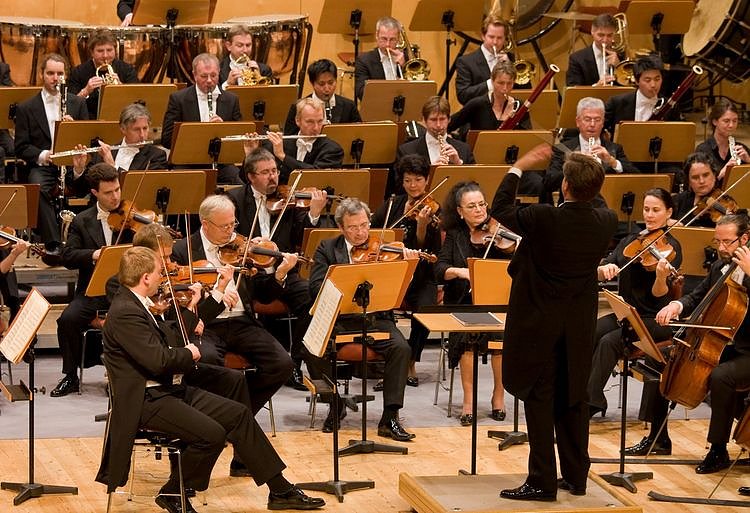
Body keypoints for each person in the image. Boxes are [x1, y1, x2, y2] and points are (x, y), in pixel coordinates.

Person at [96, 246, 325, 512]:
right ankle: (174, 492)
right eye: (159, 272)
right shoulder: (126, 311)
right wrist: (189, 353)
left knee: (238, 414)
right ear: (145, 277)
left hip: (168, 389)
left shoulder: (139, 303)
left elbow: (169, 339)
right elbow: (158, 361)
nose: (163, 277)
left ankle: (280, 490)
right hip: (146, 400)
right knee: (212, 435)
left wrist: (192, 311)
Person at [492, 147, 618, 501]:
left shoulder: (545, 217)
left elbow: (500, 208)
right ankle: (576, 477)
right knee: (573, 399)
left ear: (564, 186)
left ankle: (542, 481)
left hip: (540, 326)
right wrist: (591, 172)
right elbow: (594, 199)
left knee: (539, 400)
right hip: (577, 329)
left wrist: (518, 167)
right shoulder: (606, 221)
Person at [171, 194, 296, 414]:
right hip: (205, 326)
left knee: (282, 364)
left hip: (242, 323)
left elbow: (264, 296)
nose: (231, 231)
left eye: (233, 223)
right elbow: (181, 301)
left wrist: (279, 274)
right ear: (205, 224)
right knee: (206, 360)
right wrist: (215, 293)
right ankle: (218, 417)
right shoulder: (183, 250)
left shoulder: (241, 246)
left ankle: (240, 412)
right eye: (224, 226)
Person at [308, 198, 416, 441]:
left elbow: (397, 292)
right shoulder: (327, 249)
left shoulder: (383, 251)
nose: (361, 233)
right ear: (341, 227)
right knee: (312, 348)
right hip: (340, 319)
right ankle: (335, 402)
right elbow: (314, 288)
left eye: (365, 225)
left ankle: (390, 417)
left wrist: (407, 269)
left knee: (401, 348)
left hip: (376, 318)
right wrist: (345, 279)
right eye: (353, 227)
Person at [655, 212, 750, 474]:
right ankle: (657, 437)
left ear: (744, 238)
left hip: (749, 350)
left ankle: (717, 450)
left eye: (727, 242)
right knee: (666, 355)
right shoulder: (721, 266)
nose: (721, 248)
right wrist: (677, 305)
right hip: (729, 345)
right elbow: (697, 297)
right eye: (717, 241)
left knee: (721, 376)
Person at [588, 189, 681, 453]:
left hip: (654, 319)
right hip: (627, 314)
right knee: (589, 331)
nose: (649, 215)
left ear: (669, 212)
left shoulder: (672, 248)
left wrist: (660, 277)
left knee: (609, 341)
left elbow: (659, 295)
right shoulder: (632, 240)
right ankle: (583, 395)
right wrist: (604, 269)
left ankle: (589, 403)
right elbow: (603, 267)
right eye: (646, 209)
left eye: (656, 210)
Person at [227, 147, 329, 390]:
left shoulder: (288, 199)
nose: (273, 177)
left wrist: (314, 214)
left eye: (274, 171)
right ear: (250, 176)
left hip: (283, 269)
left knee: (313, 298)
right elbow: (227, 236)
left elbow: (299, 236)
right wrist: (246, 244)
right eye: (265, 173)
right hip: (249, 274)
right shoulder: (234, 199)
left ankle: (295, 361)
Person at [52, 163, 131, 397]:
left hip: (128, 291)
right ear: (95, 192)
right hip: (93, 292)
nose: (115, 197)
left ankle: (127, 376)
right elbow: (68, 256)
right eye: (108, 192)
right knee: (67, 319)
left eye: (117, 189)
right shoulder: (82, 221)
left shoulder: (131, 218)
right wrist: (94, 254)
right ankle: (70, 376)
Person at [435, 181, 510, 425]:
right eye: (471, 206)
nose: (479, 210)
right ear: (460, 211)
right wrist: (461, 272)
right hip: (463, 301)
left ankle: (499, 395)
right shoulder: (454, 234)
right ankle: (468, 400)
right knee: (466, 337)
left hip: (495, 300)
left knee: (499, 337)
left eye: (481, 204)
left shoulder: (498, 231)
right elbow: (440, 269)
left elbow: (515, 264)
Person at [371, 155, 440, 388]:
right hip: (394, 273)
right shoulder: (393, 204)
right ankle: (390, 360)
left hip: (421, 275)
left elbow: (428, 248)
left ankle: (410, 360)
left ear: (427, 180)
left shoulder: (433, 209)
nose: (413, 186)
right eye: (408, 180)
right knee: (379, 305)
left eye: (418, 180)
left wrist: (421, 226)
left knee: (426, 309)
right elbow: (375, 231)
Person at [14, 53, 89, 243]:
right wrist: (45, 155)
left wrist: (73, 129)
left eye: (60, 74)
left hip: (73, 164)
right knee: (37, 187)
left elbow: (86, 140)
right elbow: (21, 146)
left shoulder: (78, 103)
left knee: (99, 182)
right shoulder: (26, 108)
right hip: (44, 167)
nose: (55, 78)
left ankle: (85, 241)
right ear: (42, 74)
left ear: (65, 75)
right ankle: (53, 242)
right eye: (50, 73)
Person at [161, 53, 243, 184]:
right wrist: (198, 134)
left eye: (213, 75)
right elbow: (166, 139)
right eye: (204, 76)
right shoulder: (178, 99)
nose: (209, 80)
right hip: (187, 162)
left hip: (221, 163)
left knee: (240, 185)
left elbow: (239, 138)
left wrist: (224, 128)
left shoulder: (232, 100)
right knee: (181, 186)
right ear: (194, 75)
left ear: (219, 73)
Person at [544, 97, 637, 203]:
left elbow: (635, 177)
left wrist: (612, 161)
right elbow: (549, 181)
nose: (592, 125)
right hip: (574, 207)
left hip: (607, 205)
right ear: (578, 121)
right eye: (587, 119)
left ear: (603, 122)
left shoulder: (615, 148)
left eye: (597, 120)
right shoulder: (562, 149)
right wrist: (575, 166)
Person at [246, 97, 344, 184]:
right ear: (298, 121)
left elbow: (315, 175)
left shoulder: (333, 150)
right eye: (310, 122)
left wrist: (283, 157)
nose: (316, 128)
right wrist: (251, 155)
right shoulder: (279, 145)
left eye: (320, 121)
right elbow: (251, 180)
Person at [455, 15, 529, 106]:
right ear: (483, 36)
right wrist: (492, 83)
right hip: (479, 112)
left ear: (505, 38)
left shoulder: (512, 59)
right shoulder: (466, 62)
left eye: (499, 38)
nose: (495, 42)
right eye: (491, 37)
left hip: (509, 111)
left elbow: (526, 90)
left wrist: (510, 68)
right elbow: (463, 96)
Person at [68, 28, 139, 118]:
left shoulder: (127, 70)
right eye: (100, 51)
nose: (105, 55)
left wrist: (121, 88)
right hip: (89, 120)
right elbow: (70, 107)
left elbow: (136, 104)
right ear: (92, 52)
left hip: (121, 119)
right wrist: (86, 91)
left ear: (115, 50)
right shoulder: (78, 72)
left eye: (109, 50)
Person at [78, 102, 167, 172]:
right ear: (123, 129)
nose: (142, 135)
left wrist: (112, 166)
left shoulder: (156, 156)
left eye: (145, 128)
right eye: (136, 129)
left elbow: (138, 186)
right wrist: (79, 169)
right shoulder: (104, 153)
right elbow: (86, 186)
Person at [604, 55, 679, 135]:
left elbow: (678, 134)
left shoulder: (670, 107)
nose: (653, 85)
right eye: (647, 80)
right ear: (637, 81)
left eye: (657, 79)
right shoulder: (616, 103)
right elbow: (598, 129)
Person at [450, 61, 531, 133]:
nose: (505, 88)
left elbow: (527, 136)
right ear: (492, 81)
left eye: (509, 83)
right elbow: (449, 125)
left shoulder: (520, 106)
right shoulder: (477, 104)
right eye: (501, 83)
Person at [283, 58, 361, 134]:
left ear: (336, 80)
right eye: (321, 84)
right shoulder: (297, 108)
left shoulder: (349, 106)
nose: (327, 89)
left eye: (331, 83)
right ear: (312, 83)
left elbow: (359, 134)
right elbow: (289, 139)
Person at [397, 96, 475, 167]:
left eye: (442, 119)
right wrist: (431, 171)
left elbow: (473, 177)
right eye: (433, 119)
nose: (438, 125)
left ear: (449, 119)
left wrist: (458, 163)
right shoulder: (407, 151)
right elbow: (401, 178)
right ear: (424, 120)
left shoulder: (465, 150)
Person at [696, 99, 750, 182]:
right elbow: (700, 184)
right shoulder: (703, 151)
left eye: (735, 121)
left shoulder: (742, 149)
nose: (731, 125)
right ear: (715, 122)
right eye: (726, 121)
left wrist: (748, 161)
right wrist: (723, 173)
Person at [354, 16, 404, 100]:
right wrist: (390, 89)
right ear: (377, 36)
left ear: (398, 38)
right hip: (377, 105)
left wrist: (404, 67)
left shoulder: (407, 58)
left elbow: (419, 87)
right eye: (384, 39)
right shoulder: (364, 60)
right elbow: (361, 92)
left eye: (392, 39)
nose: (387, 44)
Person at [672, 152, 727, 228]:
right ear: (688, 180)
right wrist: (667, 222)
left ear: (714, 175)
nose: (701, 181)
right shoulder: (678, 201)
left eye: (706, 175)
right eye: (695, 177)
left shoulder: (725, 201)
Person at [566, 14, 620, 87]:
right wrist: (596, 87)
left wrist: (619, 67)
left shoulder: (620, 57)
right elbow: (572, 88)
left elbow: (631, 86)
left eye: (609, 35)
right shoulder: (577, 59)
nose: (605, 40)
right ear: (592, 32)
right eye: (601, 35)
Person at [219, 24, 273, 90]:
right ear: (229, 46)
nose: (245, 50)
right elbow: (211, 95)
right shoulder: (218, 70)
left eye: (248, 45)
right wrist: (228, 84)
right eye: (240, 45)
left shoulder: (264, 70)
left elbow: (271, 94)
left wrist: (258, 79)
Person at [0, 62, 14, 183]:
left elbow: (8, 97)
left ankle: (12, 182)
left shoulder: (2, 68)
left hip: (0, 127)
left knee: (13, 148)